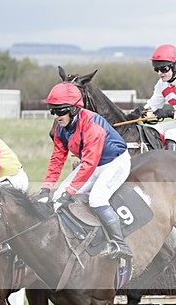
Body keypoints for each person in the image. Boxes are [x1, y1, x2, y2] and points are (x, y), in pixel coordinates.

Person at [38, 82, 132, 260]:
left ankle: (120, 244)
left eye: (60, 111)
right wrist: (45, 188)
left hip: (114, 163)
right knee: (58, 198)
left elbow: (89, 164)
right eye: (53, 111)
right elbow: (57, 160)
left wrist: (70, 191)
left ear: (73, 109)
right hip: (93, 164)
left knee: (97, 199)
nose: (56, 116)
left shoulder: (92, 125)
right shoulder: (60, 129)